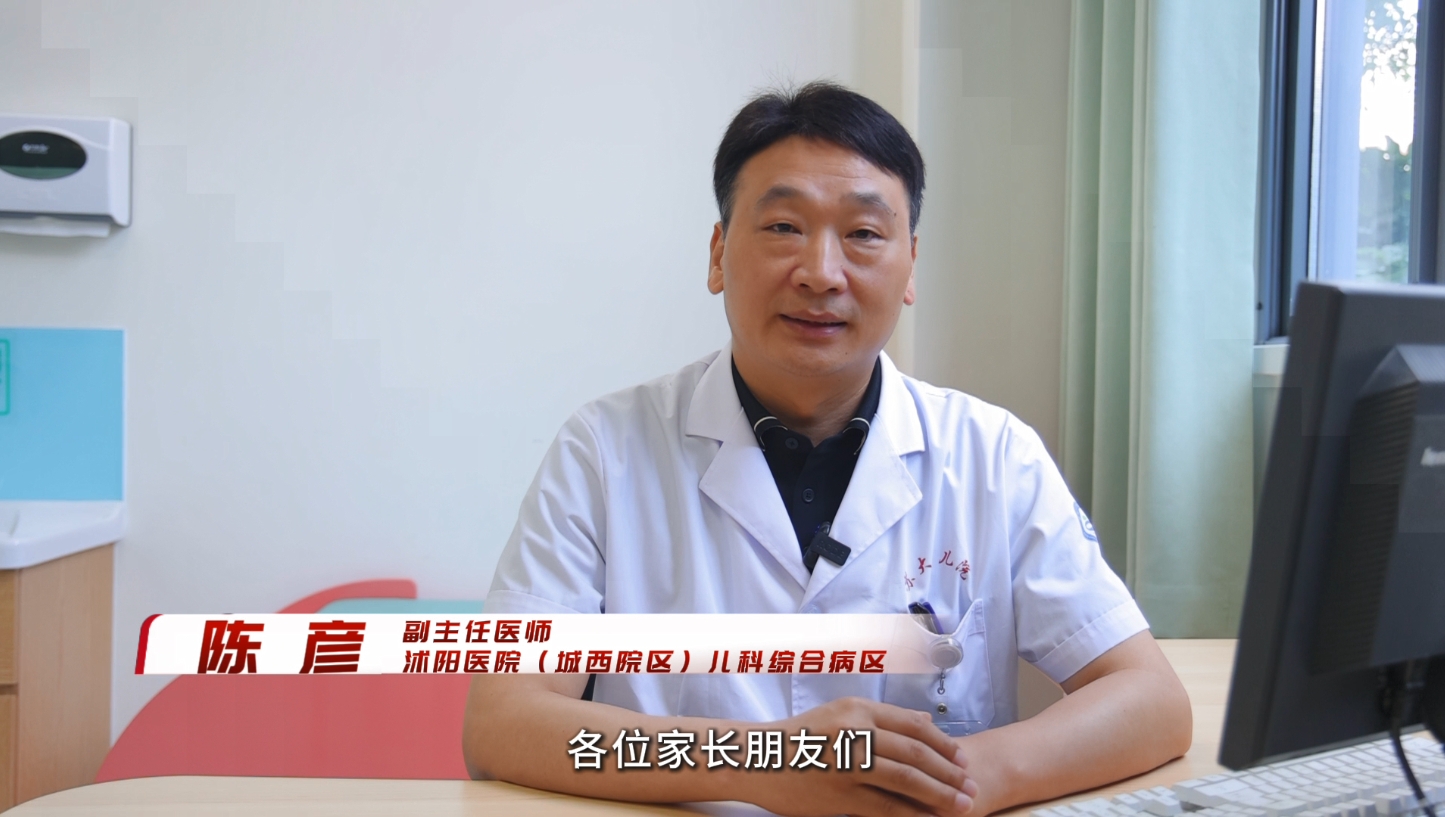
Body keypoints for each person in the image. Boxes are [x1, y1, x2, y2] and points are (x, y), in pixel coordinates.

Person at [463, 81, 1191, 817]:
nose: (820, 272)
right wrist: (762, 761)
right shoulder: (604, 451)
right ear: (717, 254)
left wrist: (950, 780)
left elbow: (1148, 698)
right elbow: (503, 720)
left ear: (910, 265)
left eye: (864, 234)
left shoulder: (993, 456)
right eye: (783, 226)